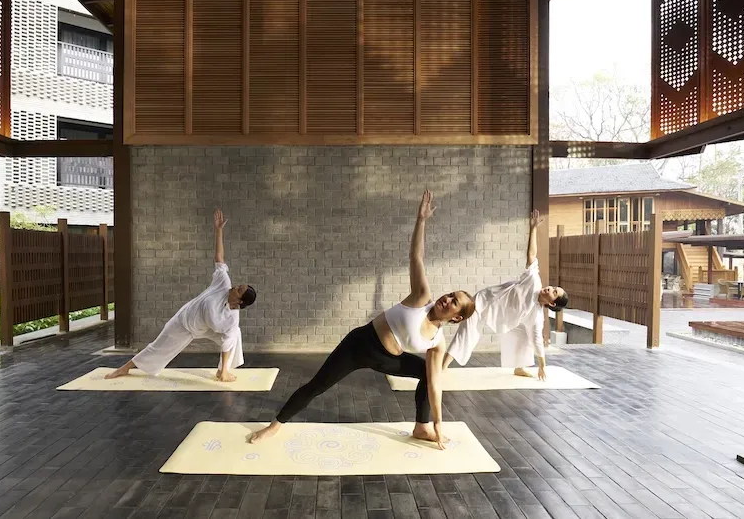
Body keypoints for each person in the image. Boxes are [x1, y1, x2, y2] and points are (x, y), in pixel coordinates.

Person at [248, 190, 476, 449]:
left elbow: (435, 384)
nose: (446, 299)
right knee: (317, 385)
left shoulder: (438, 342)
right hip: (359, 345)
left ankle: (421, 428)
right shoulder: (422, 297)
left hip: (388, 359)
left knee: (428, 373)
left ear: (457, 317)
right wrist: (421, 220)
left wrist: (438, 424)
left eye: (454, 302)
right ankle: (274, 426)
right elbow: (416, 258)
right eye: (450, 294)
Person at [104, 209, 256, 382]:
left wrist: (223, 370)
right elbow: (219, 257)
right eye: (238, 285)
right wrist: (218, 230)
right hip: (184, 323)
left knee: (234, 333)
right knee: (158, 347)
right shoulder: (223, 283)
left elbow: (226, 343)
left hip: (205, 328)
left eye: (239, 289)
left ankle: (223, 371)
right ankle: (124, 369)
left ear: (240, 300)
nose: (235, 286)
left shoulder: (231, 318)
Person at [444, 210, 568, 381]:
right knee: (467, 335)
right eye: (553, 287)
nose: (549, 289)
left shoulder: (536, 316)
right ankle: (441, 366)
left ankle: (519, 367)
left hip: (500, 317)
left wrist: (542, 365)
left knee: (525, 334)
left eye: (554, 292)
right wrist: (533, 229)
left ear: (552, 304)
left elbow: (537, 340)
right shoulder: (533, 281)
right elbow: (531, 255)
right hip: (483, 303)